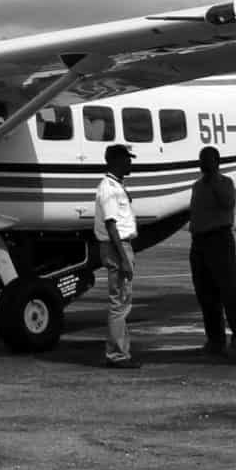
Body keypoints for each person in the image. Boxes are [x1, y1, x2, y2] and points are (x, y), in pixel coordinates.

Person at [186, 146, 236, 358]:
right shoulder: (196, 186)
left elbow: (227, 202)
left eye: (207, 160)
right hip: (199, 242)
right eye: (201, 160)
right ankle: (215, 339)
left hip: (219, 240)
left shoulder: (225, 183)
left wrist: (213, 179)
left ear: (216, 162)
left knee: (229, 292)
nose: (202, 164)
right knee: (205, 294)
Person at [94, 142, 140, 369]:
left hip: (118, 245)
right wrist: (123, 258)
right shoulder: (110, 189)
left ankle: (120, 351)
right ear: (115, 161)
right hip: (117, 246)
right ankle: (117, 355)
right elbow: (111, 225)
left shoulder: (115, 185)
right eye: (126, 158)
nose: (130, 162)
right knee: (119, 303)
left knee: (121, 302)